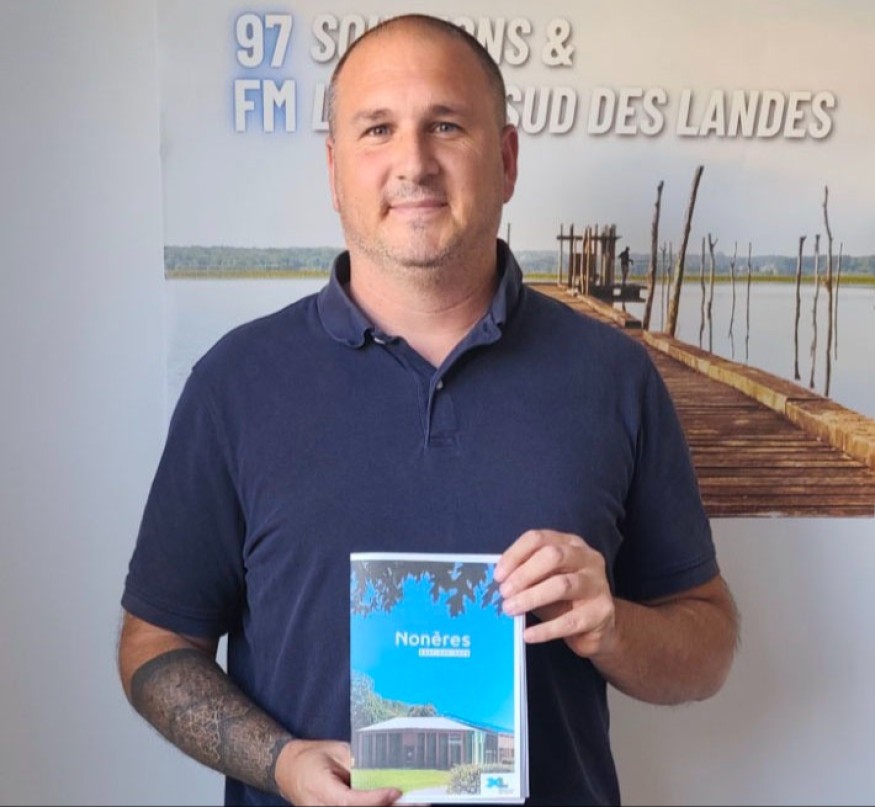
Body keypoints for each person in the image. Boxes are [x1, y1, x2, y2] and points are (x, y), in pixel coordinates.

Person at [118, 13, 739, 806]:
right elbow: (154, 643)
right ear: (334, 168)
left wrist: (612, 624)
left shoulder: (612, 374)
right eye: (377, 129)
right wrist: (279, 761)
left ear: (506, 159)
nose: (413, 163)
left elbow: (707, 643)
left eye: (446, 125)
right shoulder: (234, 382)